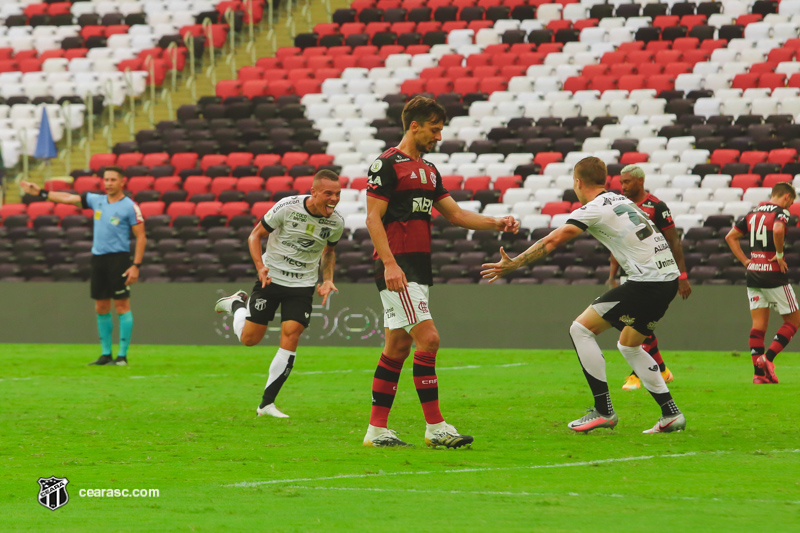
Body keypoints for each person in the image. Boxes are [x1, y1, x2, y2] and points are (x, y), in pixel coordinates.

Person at [482, 156, 686, 434]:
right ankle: (670, 414)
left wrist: (515, 263)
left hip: (647, 282)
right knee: (629, 344)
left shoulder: (593, 209)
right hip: (668, 279)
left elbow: (554, 239)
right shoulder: (621, 200)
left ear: (578, 182)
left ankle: (603, 410)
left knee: (580, 329)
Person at [362, 96, 520, 448]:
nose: (438, 135)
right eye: (434, 129)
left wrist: (497, 221)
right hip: (398, 266)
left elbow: (456, 215)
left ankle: (376, 431)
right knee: (429, 339)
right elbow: (373, 218)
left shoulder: (429, 170)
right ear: (414, 126)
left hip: (419, 268)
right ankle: (435, 427)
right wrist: (389, 263)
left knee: (398, 346)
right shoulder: (385, 165)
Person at [214, 169, 344, 418]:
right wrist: (260, 267)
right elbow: (255, 236)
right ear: (313, 192)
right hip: (271, 278)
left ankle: (266, 404)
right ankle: (237, 304)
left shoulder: (336, 222)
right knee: (250, 339)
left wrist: (327, 280)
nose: (334, 199)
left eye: (337, 194)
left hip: (303, 284)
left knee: (291, 333)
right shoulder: (287, 206)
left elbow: (328, 252)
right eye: (328, 193)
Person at [20, 166, 146, 366]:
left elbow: (141, 236)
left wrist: (136, 265)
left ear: (122, 182)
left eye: (113, 180)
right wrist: (42, 193)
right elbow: (68, 198)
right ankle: (106, 354)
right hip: (99, 259)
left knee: (122, 305)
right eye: (106, 180)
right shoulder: (97, 200)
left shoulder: (129, 206)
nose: (109, 183)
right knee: (101, 306)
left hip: (119, 260)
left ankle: (122, 356)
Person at [608, 164, 692, 391]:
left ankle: (638, 374)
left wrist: (682, 276)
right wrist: (612, 275)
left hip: (652, 274)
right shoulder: (621, 206)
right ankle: (662, 369)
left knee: (637, 322)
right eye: (621, 182)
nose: (622, 186)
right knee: (627, 321)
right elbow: (618, 242)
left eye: (626, 182)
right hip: (630, 272)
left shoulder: (657, 207)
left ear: (639, 182)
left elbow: (674, 241)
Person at [724, 182, 799, 384]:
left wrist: (745, 261)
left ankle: (758, 374)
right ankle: (768, 359)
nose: (790, 206)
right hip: (773, 274)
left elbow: (730, 237)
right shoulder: (781, 212)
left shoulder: (752, 213)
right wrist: (780, 255)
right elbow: (777, 229)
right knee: (793, 321)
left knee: (758, 326)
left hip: (754, 274)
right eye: (791, 202)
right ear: (786, 197)